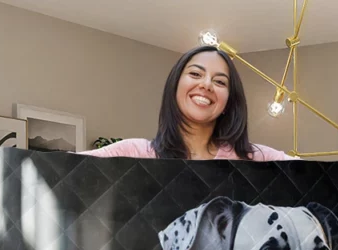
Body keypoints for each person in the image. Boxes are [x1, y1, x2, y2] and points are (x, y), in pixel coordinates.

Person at [80, 45, 296, 162]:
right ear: (175, 85)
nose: (207, 84)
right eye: (195, 74)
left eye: (220, 81)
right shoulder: (132, 152)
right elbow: (57, 172)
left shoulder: (258, 158)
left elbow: (320, 179)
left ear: (230, 100)